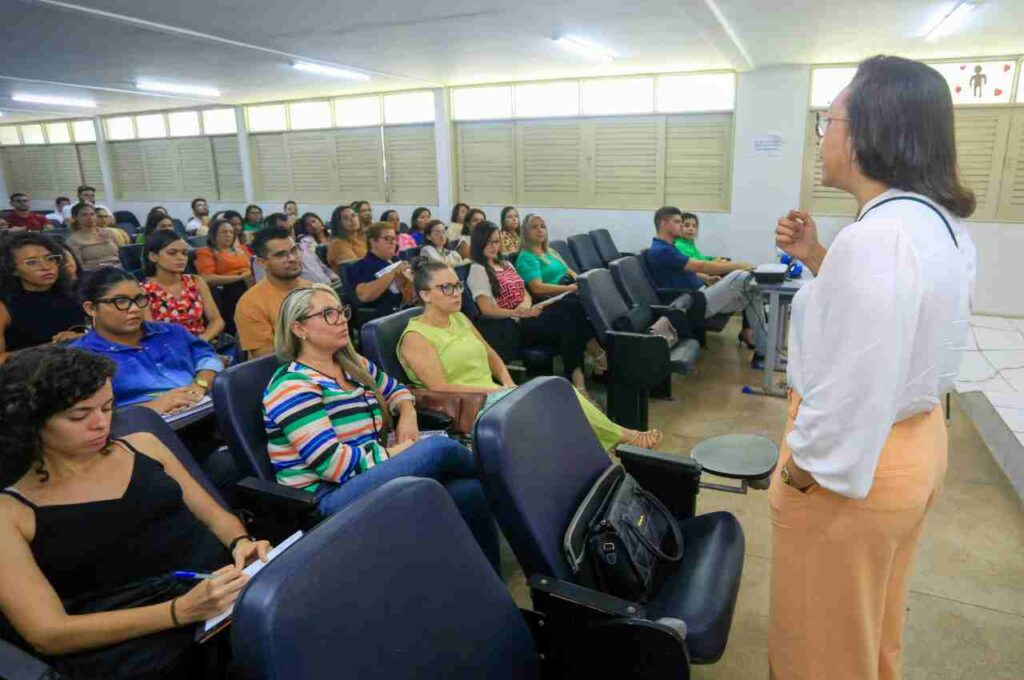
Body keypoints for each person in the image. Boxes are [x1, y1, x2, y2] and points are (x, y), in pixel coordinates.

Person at [768, 56, 977, 680]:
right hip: (914, 444)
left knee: (817, 653)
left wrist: (802, 471)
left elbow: (853, 388)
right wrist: (815, 257)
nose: (823, 137)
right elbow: (888, 323)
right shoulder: (934, 223)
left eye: (826, 120)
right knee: (867, 635)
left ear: (865, 131)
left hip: (856, 468)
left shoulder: (879, 239)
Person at [0, 345, 270, 679]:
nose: (101, 424)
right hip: (135, 637)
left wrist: (240, 542)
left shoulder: (142, 445)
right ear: (30, 424)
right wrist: (178, 612)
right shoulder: (10, 513)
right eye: (79, 416)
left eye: (108, 407)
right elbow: (49, 633)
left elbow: (214, 516)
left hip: (218, 594)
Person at [262, 283, 498, 564]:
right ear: (299, 329)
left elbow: (398, 391)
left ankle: (485, 585)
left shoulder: (351, 364)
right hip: (327, 497)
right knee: (439, 448)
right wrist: (392, 455)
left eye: (341, 311)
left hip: (367, 473)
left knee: (470, 493)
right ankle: (505, 473)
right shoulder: (293, 386)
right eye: (327, 314)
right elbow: (332, 464)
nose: (341, 320)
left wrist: (407, 415)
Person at [399, 261, 661, 450]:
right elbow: (440, 388)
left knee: (560, 394)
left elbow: (491, 355)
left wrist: (507, 382)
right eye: (446, 288)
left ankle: (615, 441)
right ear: (425, 294)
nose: (456, 293)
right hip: (468, 407)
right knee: (554, 397)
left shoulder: (458, 318)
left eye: (457, 286)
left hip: (494, 394)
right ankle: (622, 438)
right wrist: (493, 393)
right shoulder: (415, 337)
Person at [71, 268, 223, 412]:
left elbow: (207, 356)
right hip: (141, 430)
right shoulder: (80, 359)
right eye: (121, 301)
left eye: (139, 299)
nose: (135, 308)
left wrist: (200, 384)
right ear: (91, 308)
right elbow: (88, 416)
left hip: (206, 409)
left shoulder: (171, 332)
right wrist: (152, 408)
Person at [468, 221, 593, 392]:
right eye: (488, 241)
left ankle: (577, 378)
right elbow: (486, 310)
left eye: (496, 241)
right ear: (478, 243)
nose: (493, 246)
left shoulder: (505, 263)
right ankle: (578, 382)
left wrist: (525, 305)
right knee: (570, 316)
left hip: (527, 312)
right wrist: (518, 313)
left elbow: (524, 290)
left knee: (573, 308)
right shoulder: (478, 269)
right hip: (510, 323)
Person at [647, 206, 765, 358]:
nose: (682, 226)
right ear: (663, 224)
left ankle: (764, 350)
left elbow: (685, 271)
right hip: (693, 304)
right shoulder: (662, 250)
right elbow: (699, 265)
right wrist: (739, 265)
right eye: (677, 222)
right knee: (740, 275)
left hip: (700, 295)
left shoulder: (669, 247)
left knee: (753, 293)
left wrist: (706, 279)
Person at [0, 233, 87, 362]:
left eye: (50, 259)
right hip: (27, 375)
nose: (46, 267)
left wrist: (81, 337)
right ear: (13, 270)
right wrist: (52, 349)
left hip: (78, 366)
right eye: (32, 262)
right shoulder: (4, 305)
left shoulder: (72, 293)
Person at [234, 227, 310, 358]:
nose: (292, 258)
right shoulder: (250, 303)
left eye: (294, 250)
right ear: (262, 262)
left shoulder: (315, 289)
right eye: (281, 255)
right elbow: (265, 357)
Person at [141, 231, 225, 343]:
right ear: (153, 256)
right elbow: (152, 334)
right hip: (168, 350)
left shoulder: (196, 282)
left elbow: (217, 321)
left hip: (202, 344)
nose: (181, 258)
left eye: (184, 253)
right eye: (172, 253)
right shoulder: (143, 291)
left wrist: (201, 341)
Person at [347, 222, 413, 316]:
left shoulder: (396, 260)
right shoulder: (361, 266)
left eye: (394, 239)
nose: (393, 242)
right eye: (387, 239)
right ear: (373, 241)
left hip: (405, 308)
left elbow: (408, 296)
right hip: (384, 316)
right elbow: (365, 295)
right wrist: (393, 273)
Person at [515, 213, 579, 297]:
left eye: (542, 226)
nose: (540, 230)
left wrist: (580, 282)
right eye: (534, 227)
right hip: (557, 297)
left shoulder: (551, 251)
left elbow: (568, 270)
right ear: (526, 233)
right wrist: (568, 289)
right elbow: (537, 288)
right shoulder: (526, 257)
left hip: (570, 288)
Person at [193, 218, 253, 287]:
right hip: (229, 287)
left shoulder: (241, 248)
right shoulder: (205, 252)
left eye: (231, 232)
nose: (228, 235)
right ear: (214, 234)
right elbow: (207, 278)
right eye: (224, 232)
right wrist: (239, 278)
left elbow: (254, 264)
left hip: (250, 281)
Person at [66, 203, 121, 271]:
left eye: (92, 214)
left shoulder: (109, 233)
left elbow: (121, 254)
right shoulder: (73, 240)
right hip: (94, 273)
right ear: (75, 218)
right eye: (85, 215)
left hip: (118, 269)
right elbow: (79, 266)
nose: (90, 218)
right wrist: (105, 266)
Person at [294, 212, 340, 285]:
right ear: (305, 229)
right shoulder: (307, 242)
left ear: (320, 221)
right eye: (308, 225)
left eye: (314, 221)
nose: (312, 225)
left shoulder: (333, 234)